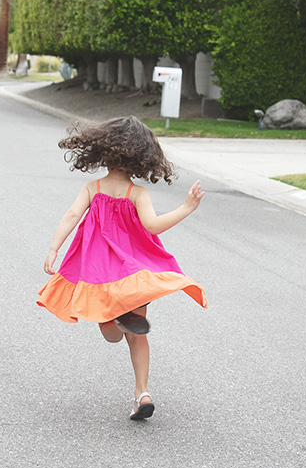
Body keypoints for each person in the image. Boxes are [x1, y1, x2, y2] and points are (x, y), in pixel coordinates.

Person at [38, 116, 207, 420]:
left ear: (103, 151)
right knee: (138, 335)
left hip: (100, 279)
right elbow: (153, 226)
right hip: (135, 276)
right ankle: (142, 392)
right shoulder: (137, 194)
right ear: (142, 158)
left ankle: (117, 320)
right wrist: (186, 208)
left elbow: (71, 215)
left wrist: (54, 248)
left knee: (112, 333)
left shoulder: (93, 188)